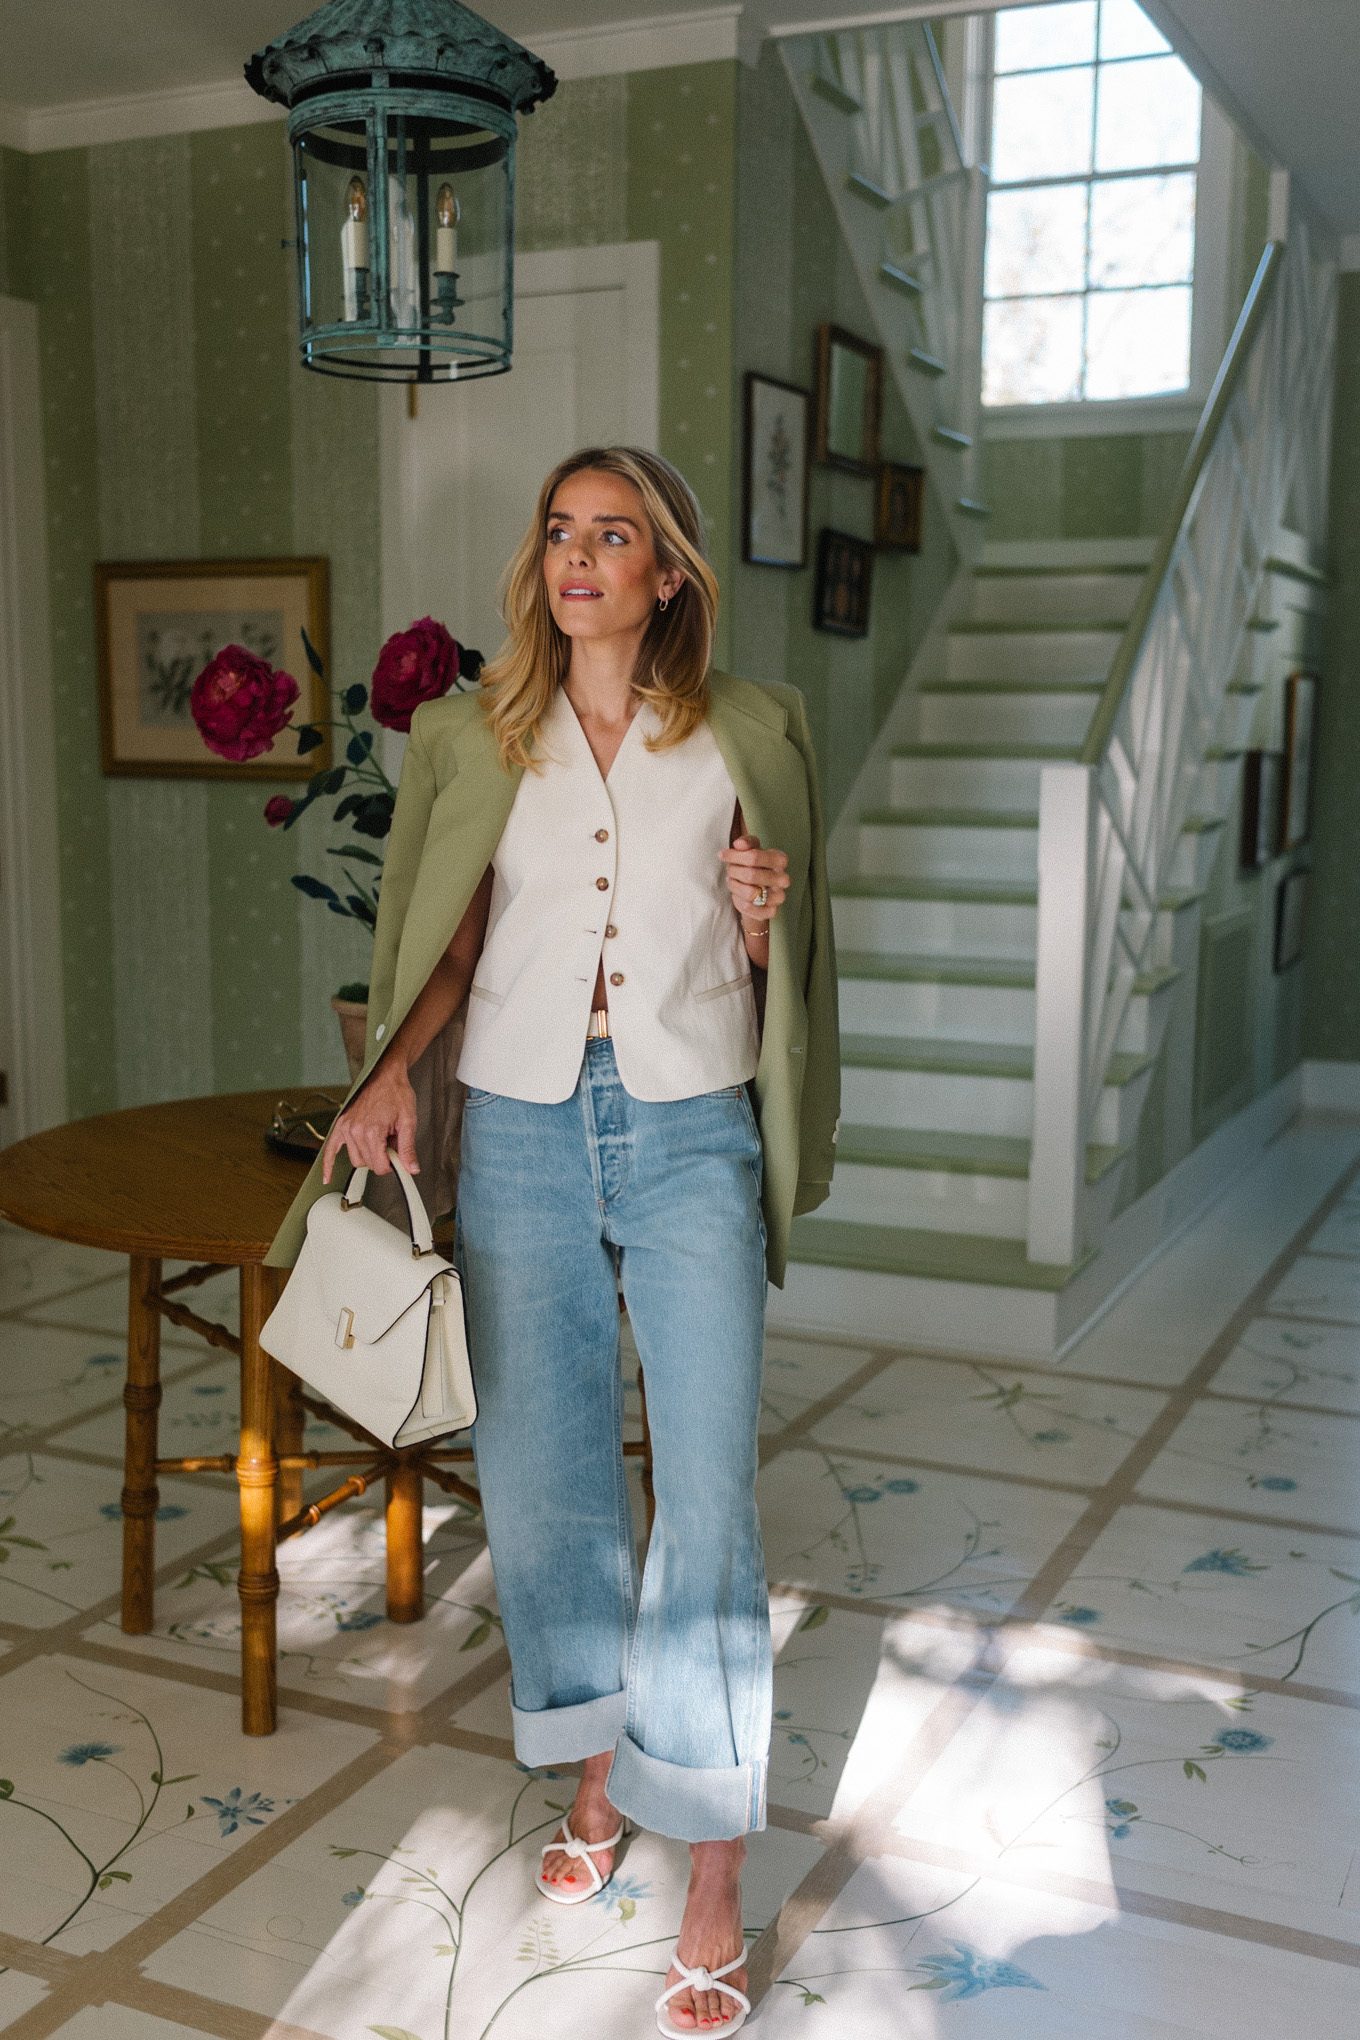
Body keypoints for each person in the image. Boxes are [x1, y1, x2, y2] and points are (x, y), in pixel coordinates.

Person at [266, 445, 840, 2034]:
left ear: (670, 574)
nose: (582, 556)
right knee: (546, 1479)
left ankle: (711, 1860)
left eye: (619, 536)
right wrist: (386, 1084)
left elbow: (791, 953)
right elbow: (442, 946)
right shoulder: (471, 735)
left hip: (689, 1127)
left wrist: (762, 910)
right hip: (516, 1125)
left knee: (709, 1491)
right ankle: (598, 1780)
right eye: (563, 532)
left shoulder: (753, 730)